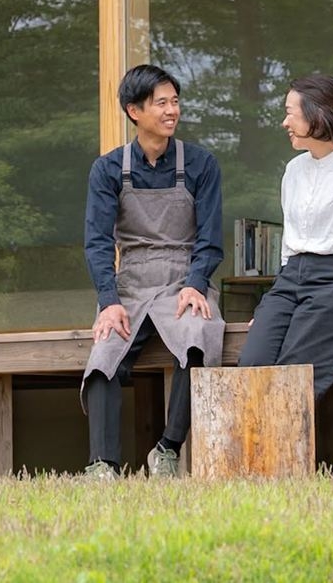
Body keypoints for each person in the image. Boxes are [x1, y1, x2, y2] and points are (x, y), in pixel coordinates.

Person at [81, 64, 225, 477]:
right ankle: (102, 465)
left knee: (198, 335)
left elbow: (211, 238)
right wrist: (108, 301)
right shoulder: (107, 169)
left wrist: (197, 283)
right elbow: (97, 242)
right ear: (134, 111)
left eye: (175, 101)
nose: (171, 111)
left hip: (185, 276)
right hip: (131, 279)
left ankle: (167, 450)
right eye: (161, 103)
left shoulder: (201, 164)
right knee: (106, 351)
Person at [237, 73, 333, 399]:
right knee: (252, 362)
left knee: (295, 378)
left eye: (290, 112)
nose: (285, 122)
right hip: (290, 280)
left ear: (317, 113)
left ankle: (279, 451)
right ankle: (261, 451)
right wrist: (270, 311)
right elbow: (290, 242)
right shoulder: (294, 170)